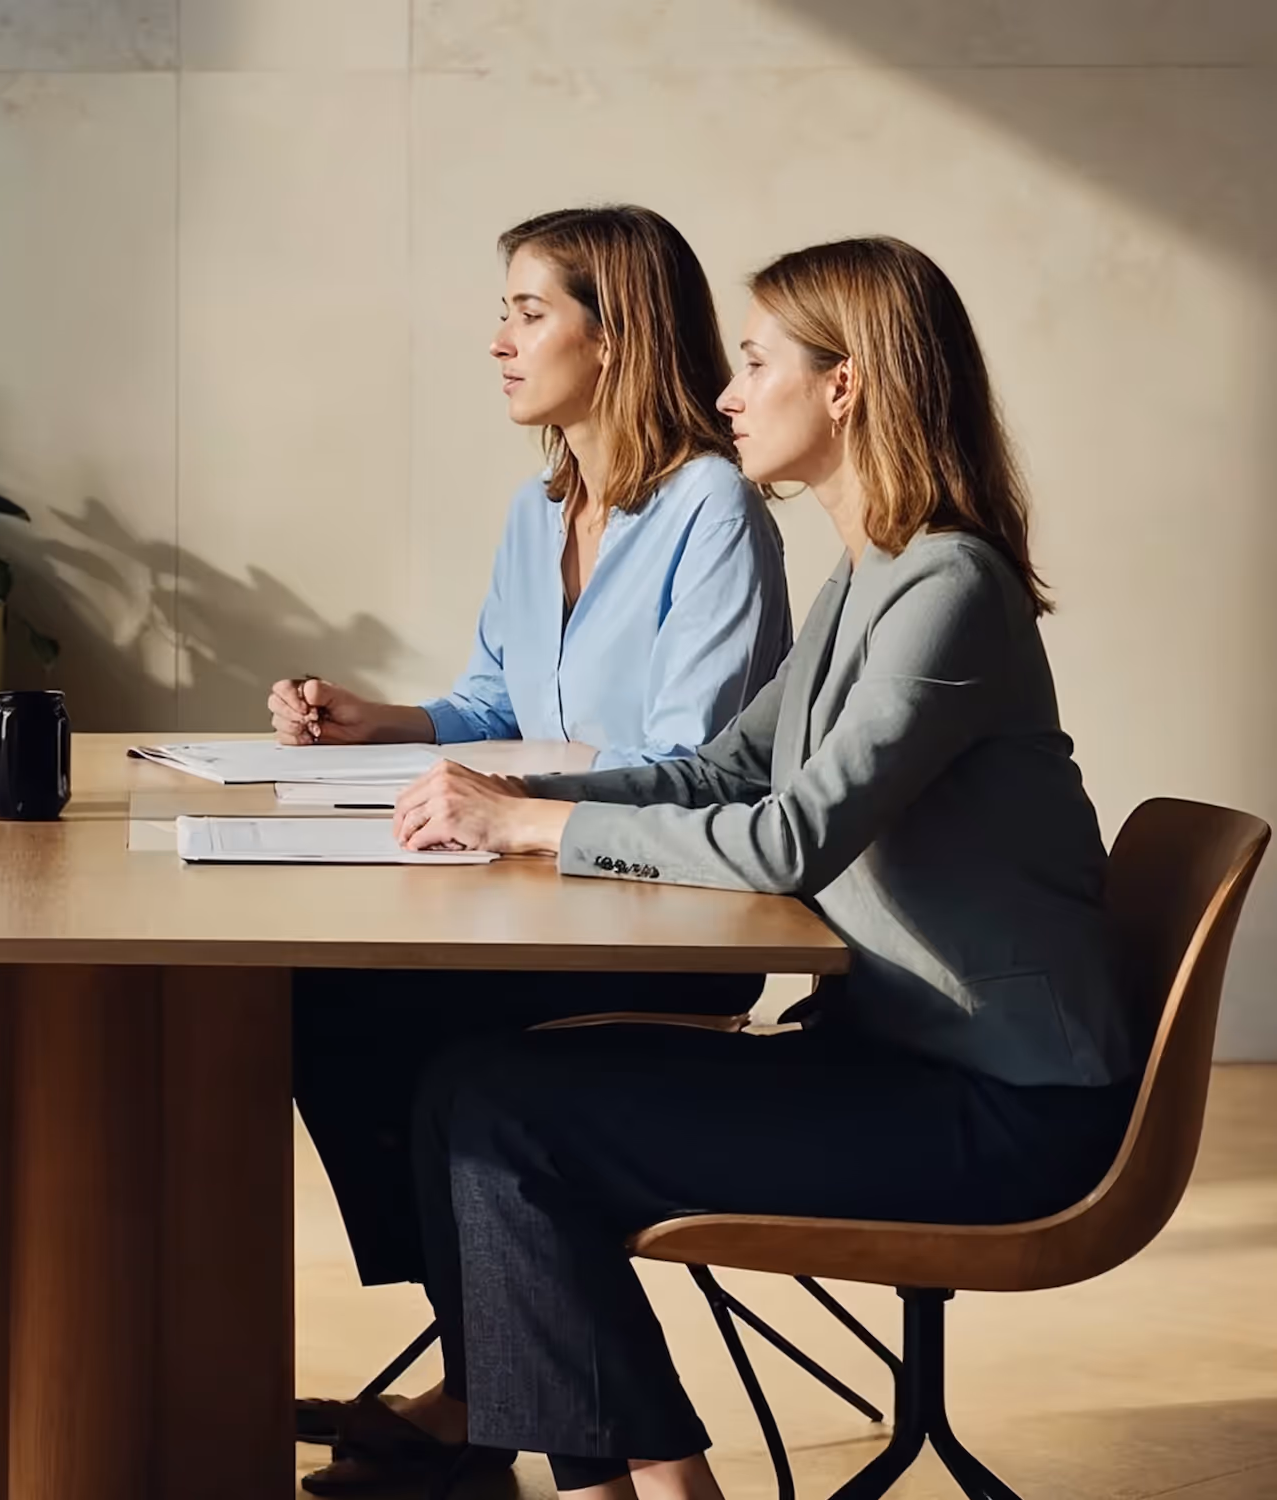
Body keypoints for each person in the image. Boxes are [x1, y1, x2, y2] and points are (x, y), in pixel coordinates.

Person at [384, 236, 1138, 1499]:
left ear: (843, 387)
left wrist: (540, 831)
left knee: (511, 1119)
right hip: (895, 1061)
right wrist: (513, 797)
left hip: (1008, 1116)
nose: (725, 395)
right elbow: (719, 774)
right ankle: (645, 1482)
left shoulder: (948, 586)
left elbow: (792, 838)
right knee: (472, 1087)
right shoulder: (873, 574)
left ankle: (659, 1488)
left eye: (751, 363)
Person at [280, 206, 793, 1495]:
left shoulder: (713, 511)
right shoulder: (536, 510)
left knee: (414, 1037)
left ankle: (484, 1394)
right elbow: (500, 705)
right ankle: (479, 1371)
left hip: (668, 924)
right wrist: (381, 725)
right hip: (541, 893)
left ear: (610, 337)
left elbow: (693, 762)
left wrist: (501, 807)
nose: (496, 340)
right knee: (328, 1002)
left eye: (527, 311)